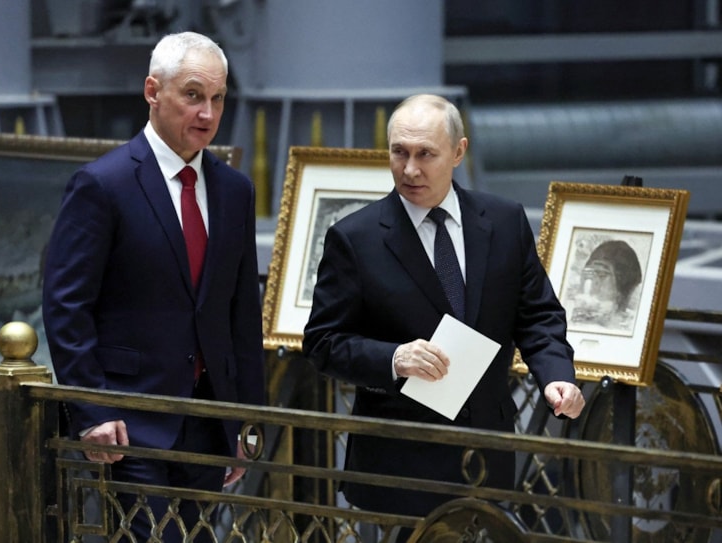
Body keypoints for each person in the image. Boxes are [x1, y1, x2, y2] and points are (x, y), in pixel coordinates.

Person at [302, 94, 585, 540]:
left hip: (487, 454)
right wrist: (394, 358)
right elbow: (322, 342)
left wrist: (556, 377)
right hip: (399, 463)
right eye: (399, 153)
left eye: (425, 154)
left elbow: (538, 315)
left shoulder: (505, 221)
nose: (410, 169)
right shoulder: (354, 238)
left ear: (458, 152)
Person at [42, 31, 265, 541]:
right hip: (129, 424)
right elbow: (66, 305)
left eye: (217, 99)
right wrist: (93, 410)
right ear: (152, 92)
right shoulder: (103, 184)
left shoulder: (234, 189)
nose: (207, 113)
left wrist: (246, 424)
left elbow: (240, 315)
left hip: (207, 422)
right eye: (193, 95)